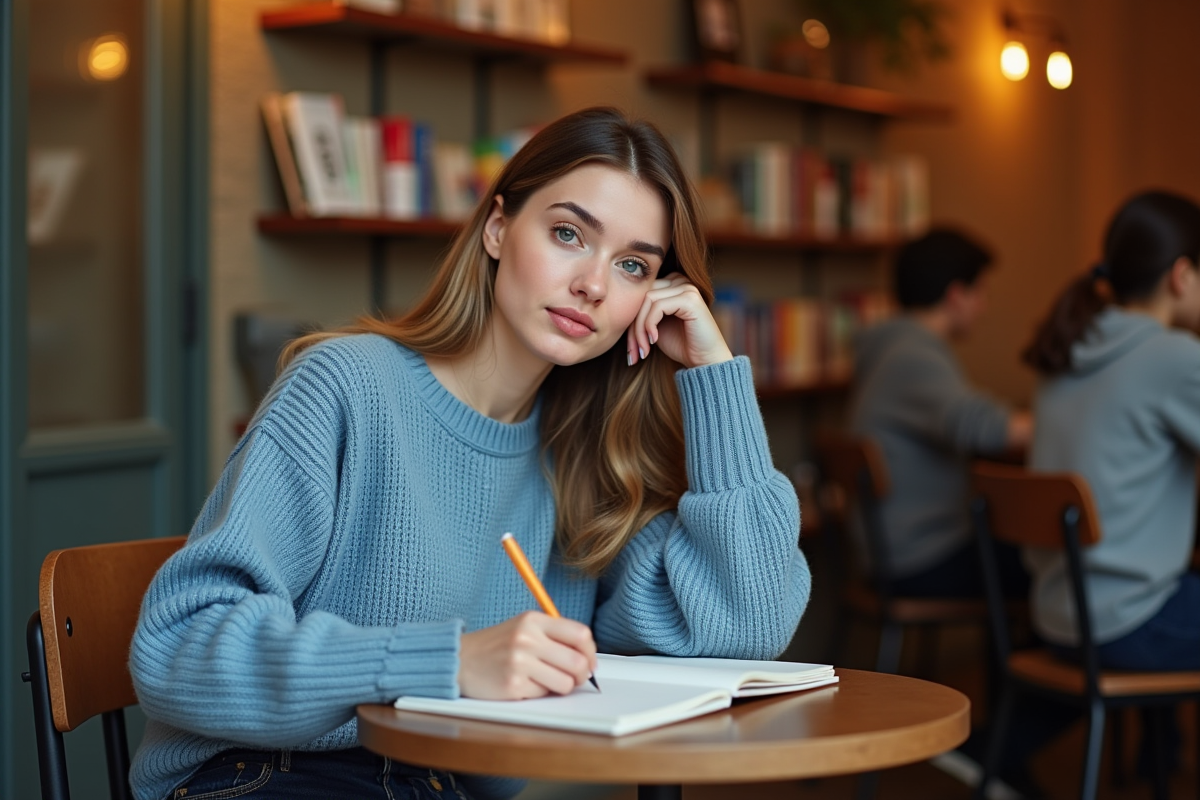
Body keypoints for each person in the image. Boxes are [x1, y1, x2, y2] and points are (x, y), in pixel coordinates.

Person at [127, 106, 812, 800]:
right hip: (269, 774)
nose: (594, 285)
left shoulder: (582, 458)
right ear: (497, 227)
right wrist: (446, 661)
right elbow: (180, 646)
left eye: (633, 264)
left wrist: (712, 374)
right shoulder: (347, 385)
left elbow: (745, 627)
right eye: (569, 233)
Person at [1023, 190, 1200, 777]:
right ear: (1181, 275)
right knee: (1172, 586)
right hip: (1126, 622)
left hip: (1058, 614)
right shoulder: (1172, 356)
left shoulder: (1066, 353)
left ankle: (1160, 759)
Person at [849, 227, 1032, 598]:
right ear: (955, 294)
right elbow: (984, 428)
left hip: (892, 550)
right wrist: (1075, 421)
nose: (984, 307)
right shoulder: (913, 356)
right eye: (981, 292)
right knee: (1046, 565)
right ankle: (1013, 658)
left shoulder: (888, 348)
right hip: (916, 556)